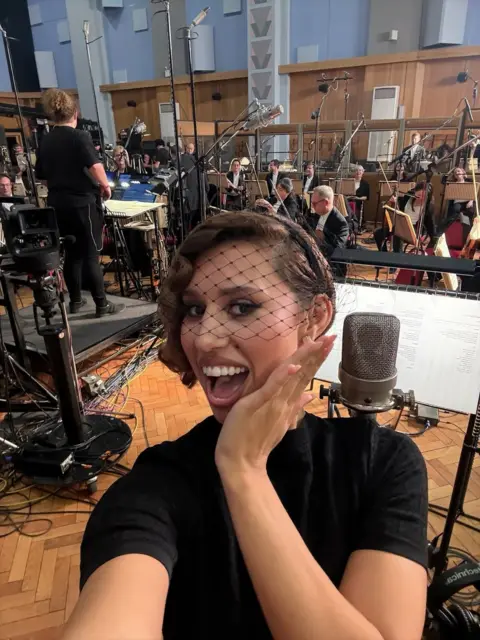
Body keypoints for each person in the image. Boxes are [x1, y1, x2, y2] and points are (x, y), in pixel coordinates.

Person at [68, 211, 428, 640]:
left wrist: (244, 470)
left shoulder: (384, 462)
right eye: (194, 309)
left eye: (242, 307)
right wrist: (241, 465)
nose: (204, 338)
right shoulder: (156, 487)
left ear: (313, 318)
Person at [35, 89, 124, 317]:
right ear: (75, 113)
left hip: (58, 204)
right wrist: (105, 186)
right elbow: (95, 166)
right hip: (82, 204)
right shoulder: (79, 136)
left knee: (72, 253)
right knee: (91, 254)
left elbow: (42, 176)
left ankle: (75, 301)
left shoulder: (46, 140)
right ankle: (102, 305)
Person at [374, 182, 435, 253]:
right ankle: (384, 253)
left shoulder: (428, 206)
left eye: (424, 196)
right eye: (419, 195)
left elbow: (431, 225)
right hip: (400, 224)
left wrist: (430, 237)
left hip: (414, 229)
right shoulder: (408, 196)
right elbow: (399, 204)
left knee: (398, 234)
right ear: (415, 192)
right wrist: (394, 200)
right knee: (378, 233)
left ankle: (398, 256)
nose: (421, 198)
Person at [437, 166, 476, 243]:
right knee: (454, 211)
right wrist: (450, 172)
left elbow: (474, 192)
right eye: (455, 172)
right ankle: (440, 234)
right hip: (457, 203)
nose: (457, 173)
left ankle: (469, 237)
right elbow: (443, 180)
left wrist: (471, 201)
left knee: (470, 212)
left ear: (463, 172)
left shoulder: (469, 181)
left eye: (458, 171)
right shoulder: (452, 184)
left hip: (468, 201)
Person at [311, 185, 349, 258]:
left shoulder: (340, 223)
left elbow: (338, 251)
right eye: (312, 203)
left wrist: (323, 239)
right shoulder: (315, 214)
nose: (312, 206)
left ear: (326, 202)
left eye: (314, 204)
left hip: (328, 261)